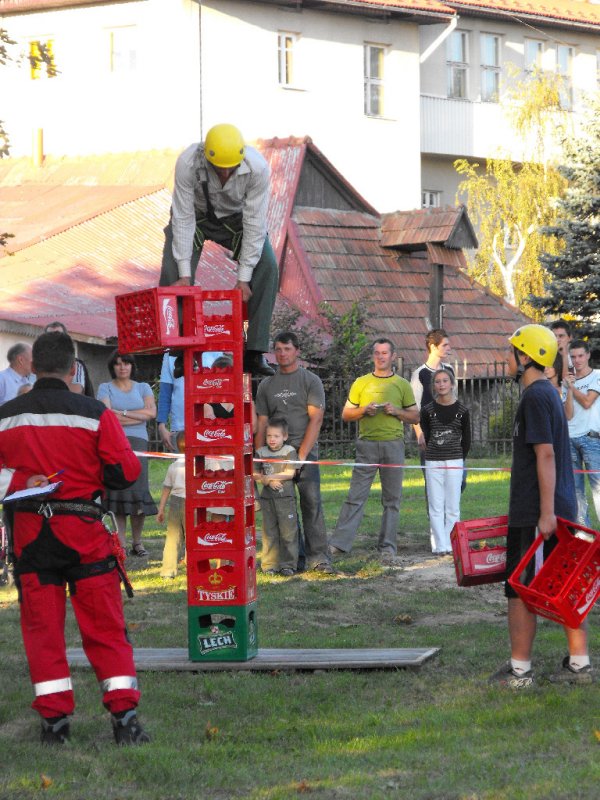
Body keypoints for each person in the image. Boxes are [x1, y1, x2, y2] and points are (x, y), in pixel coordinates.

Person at [0, 332, 149, 744]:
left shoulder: (6, 416)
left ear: (33, 367)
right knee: (105, 629)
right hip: (86, 536)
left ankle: (54, 726)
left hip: (32, 538)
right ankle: (125, 721)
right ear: (72, 369)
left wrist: (18, 479)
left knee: (42, 632)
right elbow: (125, 472)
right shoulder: (94, 413)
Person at [490, 324, 592, 688]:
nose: (506, 358)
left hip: (537, 512)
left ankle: (520, 673)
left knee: (518, 588)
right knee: (564, 583)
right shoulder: (547, 392)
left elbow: (545, 454)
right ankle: (579, 664)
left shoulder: (535, 396)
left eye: (510, 351)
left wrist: (545, 513)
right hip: (549, 506)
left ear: (524, 356)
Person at [159, 123, 277, 378]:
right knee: (173, 270)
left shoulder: (258, 169)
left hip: (237, 221)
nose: (224, 175)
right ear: (206, 157)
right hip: (197, 217)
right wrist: (184, 273)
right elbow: (182, 216)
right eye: (218, 170)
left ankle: (255, 351)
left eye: (230, 170)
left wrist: (244, 278)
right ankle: (180, 351)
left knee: (267, 265)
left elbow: (255, 223)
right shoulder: (188, 163)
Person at [329, 338, 419, 564]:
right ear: (373, 357)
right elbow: (346, 414)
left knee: (392, 499)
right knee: (355, 496)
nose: (381, 357)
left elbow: (415, 416)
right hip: (366, 445)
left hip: (393, 446)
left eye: (385, 353)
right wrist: (363, 411)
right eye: (377, 353)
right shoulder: (361, 383)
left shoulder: (402, 384)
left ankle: (387, 547)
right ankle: (340, 544)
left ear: (392, 356)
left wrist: (396, 411)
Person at [255, 331, 333, 574]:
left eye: (287, 349)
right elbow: (262, 423)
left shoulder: (310, 381)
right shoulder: (267, 385)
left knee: (311, 503)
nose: (282, 354)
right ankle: (291, 559)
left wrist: (301, 455)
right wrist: (259, 457)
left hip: (304, 454)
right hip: (274, 457)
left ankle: (319, 558)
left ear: (296, 351)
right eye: (278, 349)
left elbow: (316, 419)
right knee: (282, 507)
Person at [97, 351, 158, 555]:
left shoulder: (143, 387)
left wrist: (121, 413)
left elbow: (151, 414)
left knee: (138, 492)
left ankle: (137, 542)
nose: (122, 367)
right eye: (118, 364)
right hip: (114, 442)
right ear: (112, 367)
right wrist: (137, 416)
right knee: (119, 492)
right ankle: (121, 544)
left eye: (126, 363)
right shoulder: (104, 388)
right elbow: (106, 416)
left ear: (132, 366)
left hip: (139, 443)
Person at [420, 369, 471, 555]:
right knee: (435, 505)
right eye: (438, 381)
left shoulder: (463, 411)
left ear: (451, 383)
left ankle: (451, 544)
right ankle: (439, 545)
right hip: (433, 462)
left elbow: (467, 440)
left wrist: (458, 458)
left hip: (455, 462)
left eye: (445, 381)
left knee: (452, 506)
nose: (441, 384)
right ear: (434, 385)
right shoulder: (427, 411)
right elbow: (426, 436)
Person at [253, 417, 299, 576]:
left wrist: (271, 479)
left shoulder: (289, 451)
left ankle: (288, 565)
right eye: (269, 436)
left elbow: (290, 473)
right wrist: (267, 481)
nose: (272, 439)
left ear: (284, 436)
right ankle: (269, 565)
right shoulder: (260, 452)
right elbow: (254, 474)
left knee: (288, 532)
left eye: (276, 436)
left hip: (286, 499)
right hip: (267, 499)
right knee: (269, 532)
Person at [563, 339, 600, 527]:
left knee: (598, 489)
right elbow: (568, 415)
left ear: (588, 356)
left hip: (592, 439)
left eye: (580, 356)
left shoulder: (597, 376)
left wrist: (572, 388)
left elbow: (587, 402)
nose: (577, 360)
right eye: (573, 357)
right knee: (576, 491)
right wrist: (568, 389)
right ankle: (585, 535)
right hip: (570, 439)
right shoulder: (568, 382)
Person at [157, 431, 186, 579]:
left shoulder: (173, 466)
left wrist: (161, 509)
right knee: (195, 537)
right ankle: (195, 566)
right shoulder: (201, 463)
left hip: (175, 502)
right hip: (192, 503)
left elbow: (166, 488)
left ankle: (168, 570)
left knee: (173, 537)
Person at [44, 321, 94, 396]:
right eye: (50, 336)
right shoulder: (38, 364)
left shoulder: (75, 365)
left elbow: (76, 390)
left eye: (58, 336)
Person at [156, 353, 185, 452]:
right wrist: (161, 425)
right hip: (180, 427)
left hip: (210, 425)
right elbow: (165, 392)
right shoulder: (170, 354)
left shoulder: (216, 349)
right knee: (180, 466)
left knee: (213, 466)